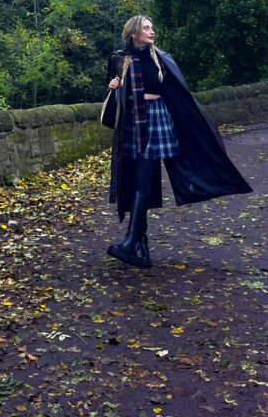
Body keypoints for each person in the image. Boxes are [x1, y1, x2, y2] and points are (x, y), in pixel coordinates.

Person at [106, 15, 252, 268]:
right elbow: (115, 93)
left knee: (142, 179)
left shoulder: (161, 58)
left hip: (157, 119)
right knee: (138, 180)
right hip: (132, 123)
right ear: (133, 33)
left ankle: (132, 242)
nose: (152, 31)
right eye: (147, 27)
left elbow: (177, 93)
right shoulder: (119, 59)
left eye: (152, 27)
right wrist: (114, 85)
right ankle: (140, 248)